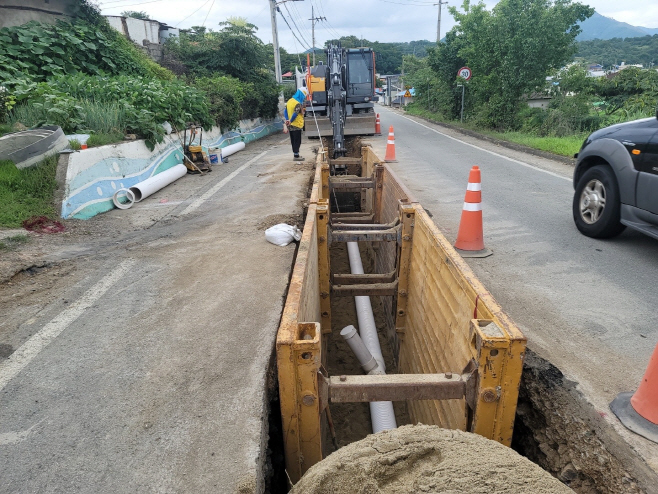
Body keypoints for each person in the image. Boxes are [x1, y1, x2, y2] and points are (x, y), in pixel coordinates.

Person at [284, 87, 308, 161]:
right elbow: (295, 113)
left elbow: (285, 111)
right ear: (301, 95)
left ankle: (295, 154)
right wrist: (290, 120)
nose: (304, 98)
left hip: (290, 125)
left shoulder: (290, 101)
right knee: (297, 140)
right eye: (304, 96)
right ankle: (296, 156)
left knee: (293, 140)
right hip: (296, 125)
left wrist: (287, 120)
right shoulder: (297, 103)